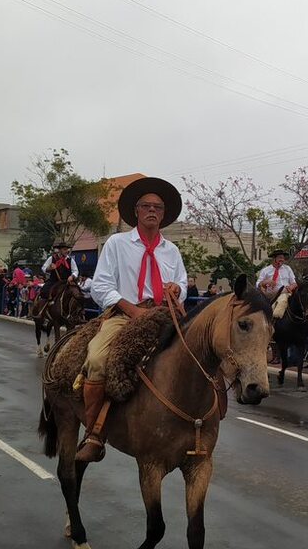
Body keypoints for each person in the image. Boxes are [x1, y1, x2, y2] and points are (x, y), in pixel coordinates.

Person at [78, 177, 188, 463]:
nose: (152, 211)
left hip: (164, 315)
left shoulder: (172, 251)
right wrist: (132, 309)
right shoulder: (117, 243)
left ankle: (198, 423)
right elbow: (101, 286)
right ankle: (94, 433)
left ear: (164, 215)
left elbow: (183, 283)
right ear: (136, 211)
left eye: (158, 207)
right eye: (146, 206)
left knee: (198, 353)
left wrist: (177, 289)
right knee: (97, 359)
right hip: (125, 314)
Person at [34, 243, 79, 314]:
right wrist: (50, 268)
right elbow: (43, 268)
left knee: (77, 293)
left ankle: (77, 313)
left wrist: (72, 276)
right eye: (64, 249)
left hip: (66, 282)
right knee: (44, 291)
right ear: (60, 250)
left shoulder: (70, 260)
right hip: (54, 281)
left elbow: (75, 271)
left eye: (67, 249)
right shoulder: (52, 258)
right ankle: (43, 310)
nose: (66, 251)